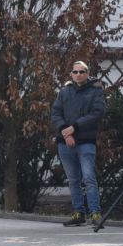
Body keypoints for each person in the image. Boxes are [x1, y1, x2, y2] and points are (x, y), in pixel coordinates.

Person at [50, 61, 106, 228]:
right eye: (75, 72)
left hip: (85, 141)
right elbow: (56, 113)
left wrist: (74, 128)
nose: (78, 74)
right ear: (71, 74)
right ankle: (78, 213)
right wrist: (65, 132)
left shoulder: (95, 91)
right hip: (65, 142)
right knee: (73, 179)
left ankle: (95, 213)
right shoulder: (64, 92)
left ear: (87, 73)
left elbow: (97, 113)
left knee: (88, 177)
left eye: (82, 71)